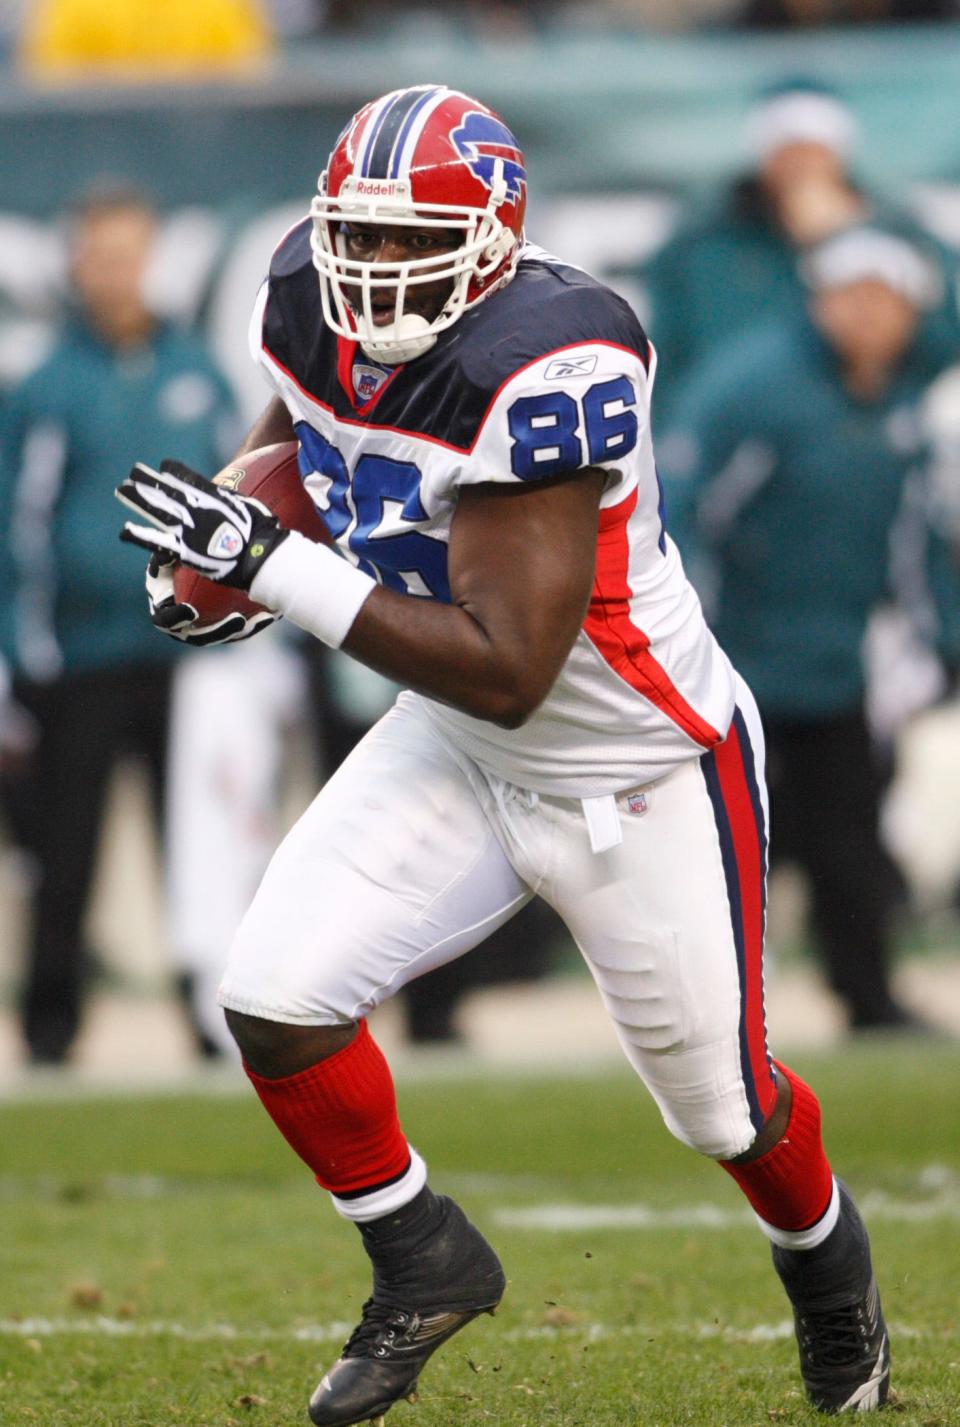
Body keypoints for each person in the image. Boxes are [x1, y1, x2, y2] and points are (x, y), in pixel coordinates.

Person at [116, 85, 891, 1422]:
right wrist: (230, 543)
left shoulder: (550, 357)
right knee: (276, 992)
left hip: (635, 763)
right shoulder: (308, 290)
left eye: (408, 240)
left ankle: (831, 1274)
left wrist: (281, 571)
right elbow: (304, 429)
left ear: (495, 239)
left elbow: (515, 667)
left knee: (726, 1109)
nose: (370, 269)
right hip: (456, 742)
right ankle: (422, 1254)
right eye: (353, 235)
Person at [658, 223, 960, 1035]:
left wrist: (936, 638)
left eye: (888, 298)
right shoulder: (751, 388)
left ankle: (867, 996)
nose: (870, 315)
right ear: (819, 300)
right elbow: (680, 514)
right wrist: (684, 642)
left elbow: (914, 536)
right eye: (852, 295)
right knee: (718, 844)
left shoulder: (900, 395)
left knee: (851, 841)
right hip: (733, 660)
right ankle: (700, 1014)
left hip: (840, 661)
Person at [0, 184, 238, 1064]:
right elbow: (16, 526)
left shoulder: (194, 370)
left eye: (131, 255)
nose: (118, 274)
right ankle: (52, 1031)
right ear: (76, 265)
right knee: (67, 857)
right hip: (82, 661)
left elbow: (242, 497)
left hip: (191, 660)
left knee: (204, 851)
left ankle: (217, 1024)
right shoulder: (47, 386)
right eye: (102, 256)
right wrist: (20, 658)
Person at [635, 77, 959, 430]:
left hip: (854, 439)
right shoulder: (701, 244)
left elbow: (940, 341)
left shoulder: (897, 236)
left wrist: (849, 237)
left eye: (814, 151)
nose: (801, 166)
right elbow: (664, 361)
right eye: (788, 151)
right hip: (732, 433)